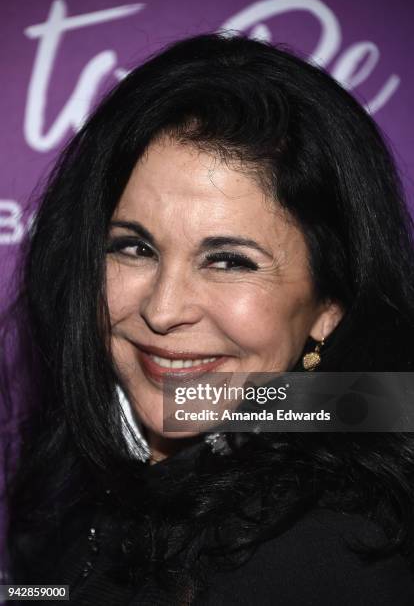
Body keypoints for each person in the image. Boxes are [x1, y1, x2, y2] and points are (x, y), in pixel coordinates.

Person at [3, 33, 414, 605]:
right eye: (134, 248)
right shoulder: (97, 456)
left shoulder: (325, 551)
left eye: (229, 261)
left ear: (330, 306)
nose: (163, 310)